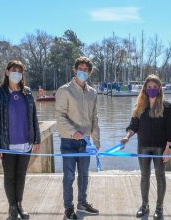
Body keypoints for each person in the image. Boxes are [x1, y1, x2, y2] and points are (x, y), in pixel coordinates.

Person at [0, 60, 41, 220]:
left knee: (21, 175)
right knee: (9, 176)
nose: (17, 74)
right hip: (7, 145)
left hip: (26, 144)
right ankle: (12, 208)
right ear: (7, 72)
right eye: (14, 70)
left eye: (20, 71)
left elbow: (34, 117)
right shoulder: (0, 94)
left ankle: (19, 204)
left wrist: (37, 139)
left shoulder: (27, 93)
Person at [121, 74, 171, 220]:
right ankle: (144, 206)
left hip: (160, 147)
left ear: (159, 89)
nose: (152, 89)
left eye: (155, 87)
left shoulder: (167, 107)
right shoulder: (140, 106)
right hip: (143, 147)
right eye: (149, 87)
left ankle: (159, 208)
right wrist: (127, 137)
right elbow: (133, 126)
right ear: (145, 88)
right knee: (144, 177)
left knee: (160, 176)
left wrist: (168, 147)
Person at [55, 56, 100, 220]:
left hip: (86, 142)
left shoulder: (93, 93)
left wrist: (97, 140)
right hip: (68, 141)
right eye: (80, 69)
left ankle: (82, 203)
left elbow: (95, 118)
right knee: (68, 176)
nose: (83, 72)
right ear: (75, 70)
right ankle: (68, 208)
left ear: (89, 72)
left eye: (86, 70)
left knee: (84, 174)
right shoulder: (64, 90)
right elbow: (59, 116)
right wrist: (73, 131)